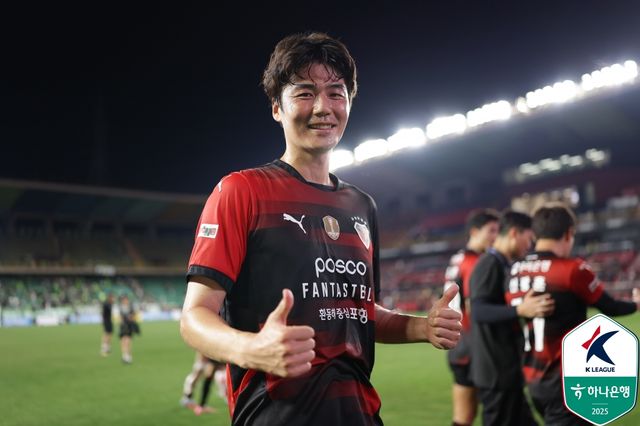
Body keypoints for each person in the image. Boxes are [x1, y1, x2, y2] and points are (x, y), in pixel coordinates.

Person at [180, 31, 462, 425]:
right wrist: (252, 349)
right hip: (275, 415)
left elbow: (359, 311)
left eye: (335, 93)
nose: (323, 107)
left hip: (361, 413)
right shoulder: (242, 191)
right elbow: (194, 316)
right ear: (276, 107)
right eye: (305, 93)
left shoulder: (362, 206)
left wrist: (421, 327)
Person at [508, 203, 640, 425]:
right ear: (569, 233)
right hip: (566, 380)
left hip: (532, 377)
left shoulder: (514, 269)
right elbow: (610, 307)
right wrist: (636, 304)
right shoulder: (572, 269)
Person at [469, 210, 554, 426]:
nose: (531, 244)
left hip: (507, 370)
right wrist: (520, 310)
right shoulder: (489, 263)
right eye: (529, 238)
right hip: (496, 372)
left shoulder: (503, 263)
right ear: (515, 233)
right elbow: (478, 311)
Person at [444, 208, 499, 426]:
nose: (495, 236)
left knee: (464, 416)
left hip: (457, 345)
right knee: (497, 411)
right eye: (491, 230)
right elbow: (473, 305)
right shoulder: (476, 262)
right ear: (475, 231)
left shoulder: (458, 258)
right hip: (475, 345)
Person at [118, 294, 139, 364]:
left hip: (129, 326)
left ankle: (128, 356)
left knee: (127, 341)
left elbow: (134, 315)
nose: (124, 301)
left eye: (125, 299)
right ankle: (125, 355)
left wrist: (131, 318)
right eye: (123, 300)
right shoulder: (121, 307)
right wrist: (121, 322)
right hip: (123, 326)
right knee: (122, 341)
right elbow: (120, 316)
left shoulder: (131, 306)